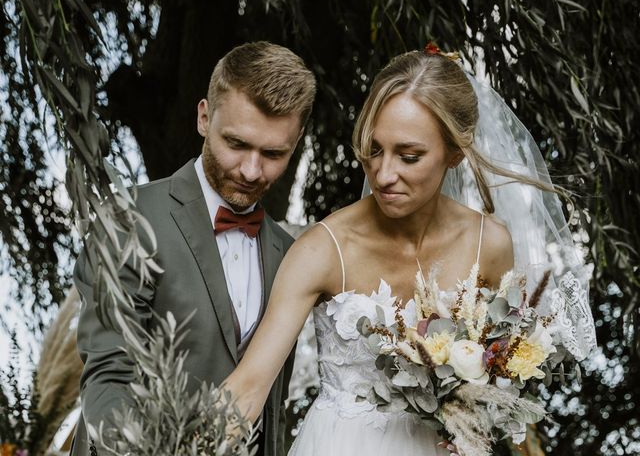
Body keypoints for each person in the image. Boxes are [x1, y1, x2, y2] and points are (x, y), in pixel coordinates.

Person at [224, 46, 596, 455]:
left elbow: (496, 380)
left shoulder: (488, 245)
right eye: (375, 149)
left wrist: (474, 427)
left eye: (409, 156)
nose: (384, 175)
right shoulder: (322, 250)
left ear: (454, 153)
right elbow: (248, 388)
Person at [71, 41, 316, 456]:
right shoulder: (130, 218)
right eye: (236, 144)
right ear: (204, 117)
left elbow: (272, 408)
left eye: (273, 153)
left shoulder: (290, 254)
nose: (252, 170)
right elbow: (109, 373)